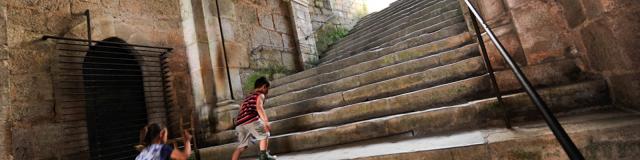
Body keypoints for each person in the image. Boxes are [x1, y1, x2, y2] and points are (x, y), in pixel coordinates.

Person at [232, 77, 276, 160]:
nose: (267, 91)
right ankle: (264, 156)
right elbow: (259, 108)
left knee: (242, 147)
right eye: (267, 88)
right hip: (251, 120)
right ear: (264, 87)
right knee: (265, 135)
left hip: (240, 123)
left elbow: (241, 108)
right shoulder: (260, 95)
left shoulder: (248, 97)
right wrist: (266, 122)